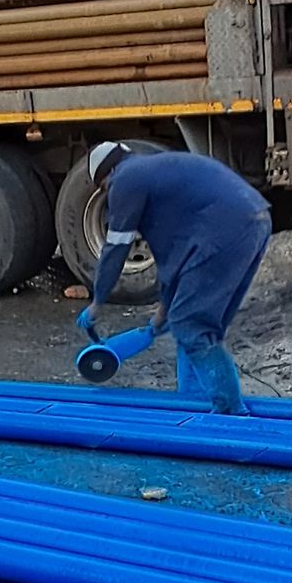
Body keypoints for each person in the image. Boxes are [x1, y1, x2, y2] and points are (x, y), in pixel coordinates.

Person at [80, 144, 272, 415]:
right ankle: (193, 402)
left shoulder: (125, 178)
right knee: (195, 327)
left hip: (225, 231)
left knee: (192, 326)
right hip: (254, 221)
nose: (107, 196)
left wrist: (97, 301)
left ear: (108, 172)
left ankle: (230, 412)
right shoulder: (155, 174)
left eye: (102, 188)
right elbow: (175, 261)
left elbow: (115, 248)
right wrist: (161, 317)